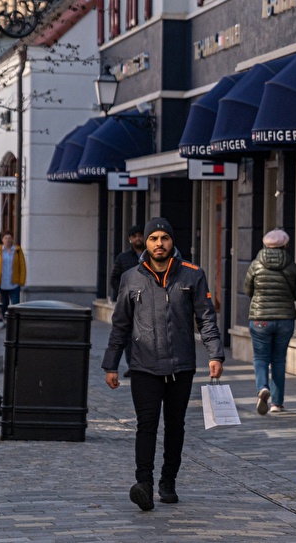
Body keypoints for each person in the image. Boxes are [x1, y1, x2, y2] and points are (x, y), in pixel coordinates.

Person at [103, 217, 223, 511]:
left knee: (175, 426)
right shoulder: (131, 277)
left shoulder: (192, 275)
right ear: (145, 242)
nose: (159, 243)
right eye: (154, 238)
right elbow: (120, 324)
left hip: (181, 365)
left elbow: (205, 318)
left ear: (172, 242)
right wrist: (111, 364)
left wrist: (215, 354)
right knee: (146, 425)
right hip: (144, 366)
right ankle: (143, 482)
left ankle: (168, 481)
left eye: (164, 238)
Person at [244, 228, 296, 415]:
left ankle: (262, 387)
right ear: (285, 245)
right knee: (278, 360)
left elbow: (247, 289)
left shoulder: (256, 265)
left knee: (261, 358)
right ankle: (277, 403)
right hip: (285, 319)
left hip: (260, 317)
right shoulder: (292, 266)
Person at [0, 233, 27, 319]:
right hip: (2, 282)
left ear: (12, 239)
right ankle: (5, 320)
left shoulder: (17, 250)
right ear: (2, 240)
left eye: (9, 238)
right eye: (5, 238)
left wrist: (22, 281)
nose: (7, 240)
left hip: (14, 283)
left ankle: (15, 321)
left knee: (15, 303)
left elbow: (22, 266)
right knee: (4, 303)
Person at [109, 225, 145, 300]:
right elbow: (114, 279)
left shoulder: (150, 256)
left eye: (140, 235)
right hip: (127, 299)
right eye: (134, 236)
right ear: (130, 239)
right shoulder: (122, 258)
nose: (137, 238)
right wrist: (123, 292)